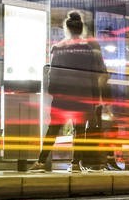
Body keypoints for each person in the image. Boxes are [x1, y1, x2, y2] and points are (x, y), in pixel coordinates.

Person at [30, 11, 107, 173]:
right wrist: (94, 99)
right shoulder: (88, 50)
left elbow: (54, 74)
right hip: (83, 96)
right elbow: (93, 76)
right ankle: (74, 163)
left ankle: (41, 161)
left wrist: (53, 93)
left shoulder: (59, 49)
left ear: (67, 29)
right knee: (79, 131)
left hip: (63, 96)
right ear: (81, 29)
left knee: (53, 129)